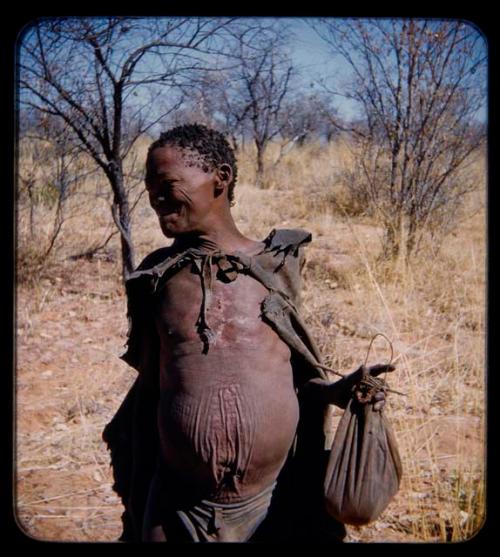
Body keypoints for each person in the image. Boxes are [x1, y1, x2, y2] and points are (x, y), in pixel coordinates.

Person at [102, 123, 393, 543]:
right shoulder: (157, 277)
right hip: (178, 503)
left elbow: (294, 376)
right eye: (149, 187)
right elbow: (151, 386)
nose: (155, 197)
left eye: (167, 183)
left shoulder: (274, 267)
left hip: (271, 499)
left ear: (220, 178)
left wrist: (336, 392)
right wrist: (138, 486)